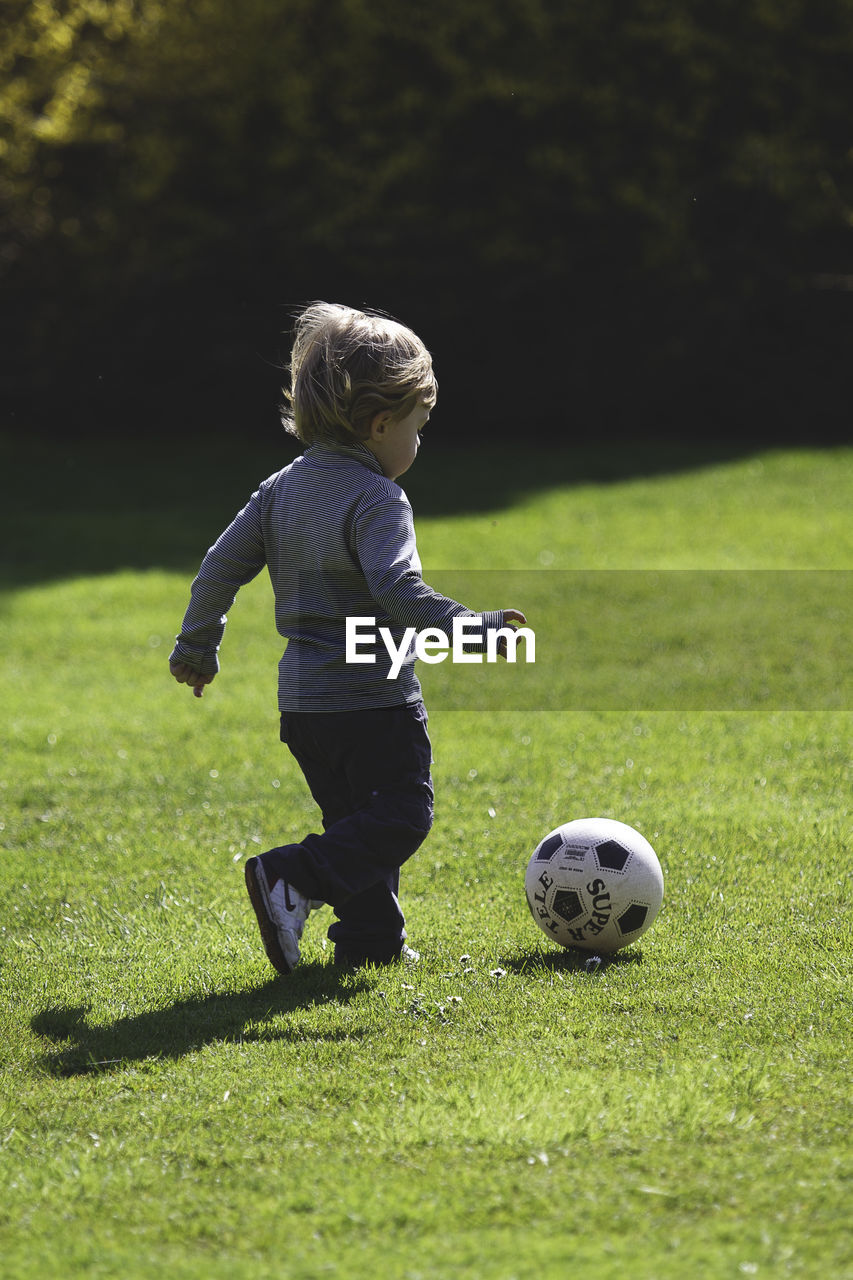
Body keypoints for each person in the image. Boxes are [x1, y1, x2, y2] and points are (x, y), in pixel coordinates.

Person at [170, 302, 526, 974]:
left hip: (305, 710)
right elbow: (397, 591)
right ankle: (291, 878)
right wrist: (472, 631)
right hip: (373, 698)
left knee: (354, 826)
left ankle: (368, 944)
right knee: (400, 816)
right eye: (418, 430)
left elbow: (219, 567)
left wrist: (196, 647)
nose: (418, 446)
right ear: (380, 423)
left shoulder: (278, 490)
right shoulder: (376, 498)